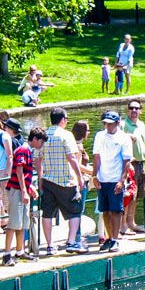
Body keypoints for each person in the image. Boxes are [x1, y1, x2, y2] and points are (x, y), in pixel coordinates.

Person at [36, 108, 86, 255]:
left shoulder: (43, 135)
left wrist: (40, 178)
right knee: (75, 211)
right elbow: (71, 158)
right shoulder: (66, 135)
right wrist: (79, 177)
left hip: (48, 180)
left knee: (47, 213)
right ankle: (71, 242)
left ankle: (50, 246)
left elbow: (37, 160)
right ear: (63, 120)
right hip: (65, 181)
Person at [2, 127, 46, 266]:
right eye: (41, 142)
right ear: (35, 139)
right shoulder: (23, 150)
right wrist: (24, 191)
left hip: (21, 190)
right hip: (16, 190)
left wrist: (29, 187)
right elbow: (19, 170)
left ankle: (20, 251)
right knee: (14, 222)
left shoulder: (28, 151)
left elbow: (25, 173)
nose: (41, 145)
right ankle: (7, 254)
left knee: (23, 222)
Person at [92, 110, 133, 253]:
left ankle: (115, 239)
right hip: (102, 179)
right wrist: (94, 176)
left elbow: (126, 161)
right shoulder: (99, 136)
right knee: (105, 211)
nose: (108, 127)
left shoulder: (124, 138)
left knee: (116, 211)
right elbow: (96, 157)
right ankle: (110, 238)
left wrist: (122, 181)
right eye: (106, 124)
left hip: (116, 179)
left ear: (117, 123)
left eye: (110, 124)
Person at [121, 99, 145, 234]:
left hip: (141, 163)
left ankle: (131, 222)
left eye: (136, 108)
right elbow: (117, 137)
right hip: (129, 165)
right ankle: (123, 225)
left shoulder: (142, 125)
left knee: (137, 195)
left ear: (140, 110)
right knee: (128, 195)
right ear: (128, 110)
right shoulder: (123, 124)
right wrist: (128, 135)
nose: (134, 111)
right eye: (131, 108)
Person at [71, 120, 93, 248]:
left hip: (83, 179)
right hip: (81, 181)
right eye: (88, 130)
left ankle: (77, 235)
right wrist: (92, 170)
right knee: (79, 210)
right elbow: (77, 165)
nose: (89, 132)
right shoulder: (77, 147)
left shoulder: (78, 145)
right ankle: (77, 236)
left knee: (79, 210)